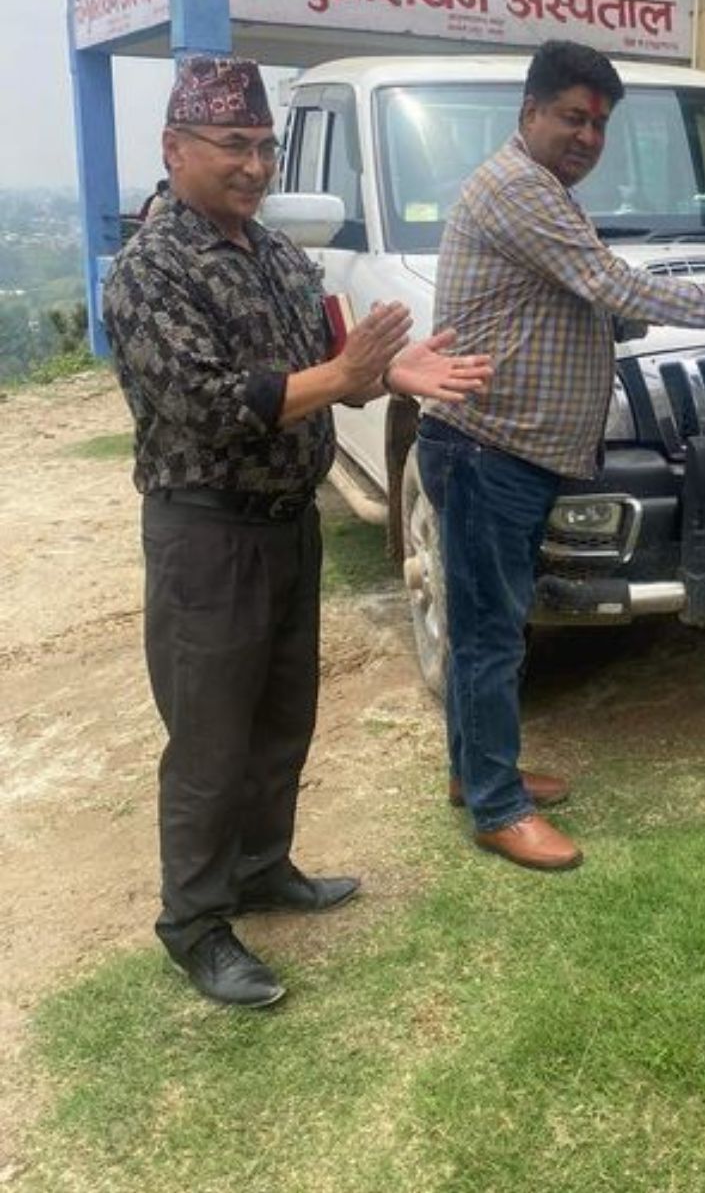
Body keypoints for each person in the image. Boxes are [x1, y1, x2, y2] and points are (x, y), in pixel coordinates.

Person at [103, 54, 491, 1008]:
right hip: (207, 536)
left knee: (283, 716)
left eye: (265, 147)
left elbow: (327, 364)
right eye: (233, 145)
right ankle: (195, 923)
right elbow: (207, 404)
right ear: (175, 148)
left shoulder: (276, 254)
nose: (254, 165)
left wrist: (388, 373)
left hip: (287, 524)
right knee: (209, 739)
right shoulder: (152, 269)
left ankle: (261, 867)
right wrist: (347, 375)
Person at [418, 39, 705, 873]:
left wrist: (621, 314)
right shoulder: (520, 188)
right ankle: (497, 807)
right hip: (487, 450)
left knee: (492, 626)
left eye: (599, 124)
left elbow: (588, 299)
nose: (588, 137)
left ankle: (474, 771)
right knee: (490, 635)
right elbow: (611, 284)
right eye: (572, 117)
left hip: (508, 450)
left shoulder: (544, 192)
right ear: (530, 113)